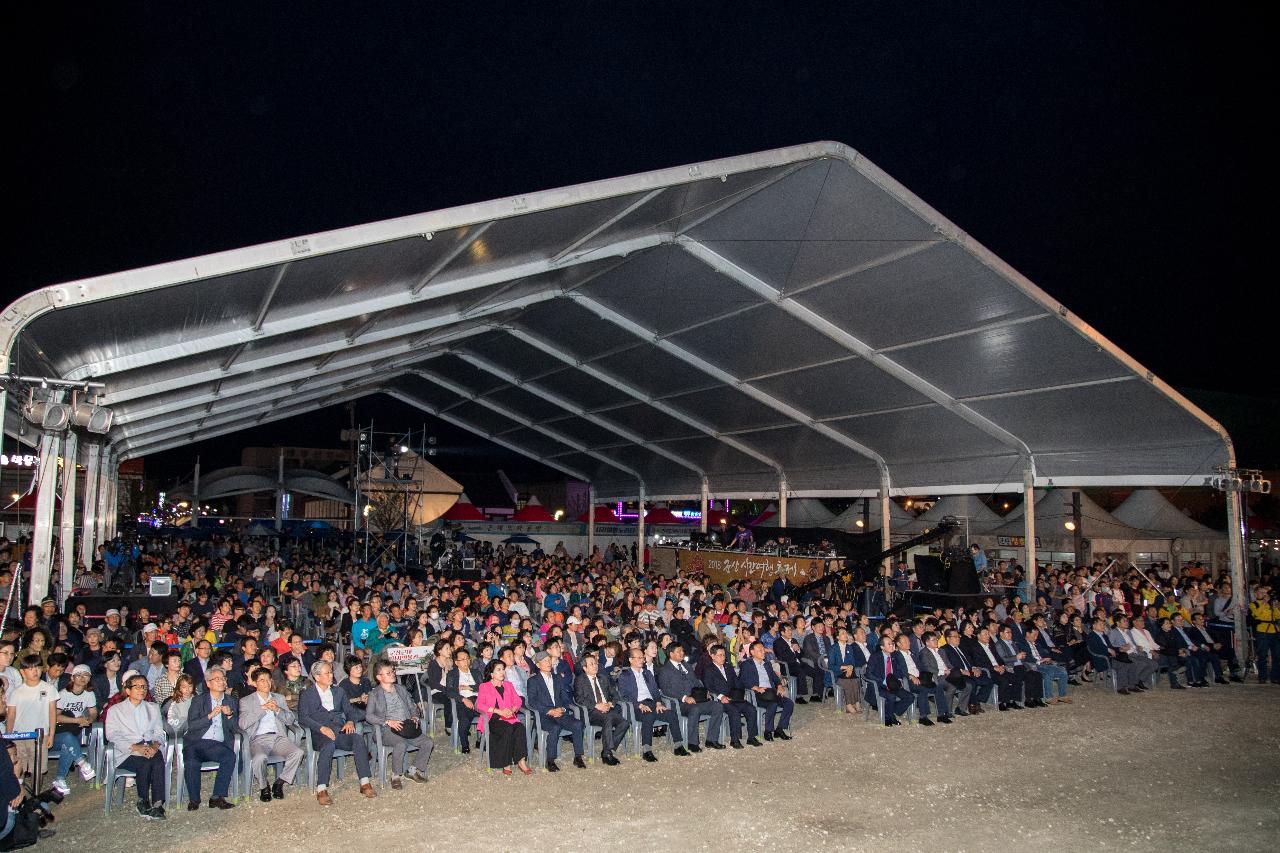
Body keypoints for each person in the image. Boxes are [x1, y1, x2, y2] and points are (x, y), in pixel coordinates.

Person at [298, 660, 375, 805]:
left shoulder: (339, 691)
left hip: (339, 731)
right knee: (328, 745)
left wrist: (350, 721)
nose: (331, 675)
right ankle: (321, 788)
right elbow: (303, 718)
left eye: (331, 672)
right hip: (320, 734)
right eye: (327, 673)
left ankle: (364, 781)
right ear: (317, 677)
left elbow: (349, 711)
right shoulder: (307, 694)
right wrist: (321, 728)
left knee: (358, 739)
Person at [103, 673, 167, 820]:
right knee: (144, 761)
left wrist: (155, 745)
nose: (141, 690)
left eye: (144, 686)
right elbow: (112, 735)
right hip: (127, 751)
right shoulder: (115, 710)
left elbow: (159, 731)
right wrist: (135, 747)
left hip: (149, 746)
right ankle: (142, 800)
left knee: (156, 759)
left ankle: (158, 803)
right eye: (137, 687)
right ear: (127, 690)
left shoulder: (153, 707)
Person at [239, 668, 305, 802]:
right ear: (255, 683)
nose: (266, 683)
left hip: (278, 737)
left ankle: (280, 782)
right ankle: (264, 786)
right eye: (262, 680)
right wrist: (261, 709)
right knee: (260, 758)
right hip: (258, 739)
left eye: (268, 679)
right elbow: (242, 724)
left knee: (298, 752)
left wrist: (278, 710)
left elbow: (290, 720)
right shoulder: (246, 701)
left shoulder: (278, 698)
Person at [365, 661, 433, 788]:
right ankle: (395, 775)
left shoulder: (401, 689)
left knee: (428, 742)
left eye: (393, 671)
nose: (392, 674)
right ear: (379, 677)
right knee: (400, 743)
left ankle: (412, 770)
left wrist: (414, 716)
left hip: (406, 726)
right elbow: (368, 716)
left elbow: (412, 706)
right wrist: (387, 722)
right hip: (387, 729)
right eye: (388, 673)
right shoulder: (374, 694)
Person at [618, 648, 690, 762]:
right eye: (639, 658)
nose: (642, 660)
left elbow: (656, 691)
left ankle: (678, 746)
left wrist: (658, 703)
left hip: (652, 704)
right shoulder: (624, 676)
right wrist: (639, 705)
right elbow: (623, 696)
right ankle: (647, 750)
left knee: (671, 714)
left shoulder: (647, 673)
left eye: (643, 657)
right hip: (637, 707)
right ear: (631, 660)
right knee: (648, 716)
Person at [182, 668, 239, 810]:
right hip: (197, 742)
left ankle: (217, 797)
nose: (222, 681)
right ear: (208, 683)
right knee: (191, 761)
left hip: (217, 744)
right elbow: (192, 725)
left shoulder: (230, 701)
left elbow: (235, 728)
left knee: (229, 756)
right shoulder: (199, 700)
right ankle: (194, 799)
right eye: (217, 679)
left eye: (223, 678)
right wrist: (210, 715)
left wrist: (230, 715)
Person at [657, 643, 725, 750]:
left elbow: (696, 682)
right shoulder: (665, 670)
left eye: (682, 651)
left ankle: (711, 740)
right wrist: (684, 698)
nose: (682, 653)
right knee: (695, 708)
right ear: (671, 654)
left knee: (717, 706)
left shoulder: (687, 666)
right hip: (679, 703)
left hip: (696, 699)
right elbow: (666, 691)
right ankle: (692, 743)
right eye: (679, 651)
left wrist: (705, 691)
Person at [526, 650, 586, 771]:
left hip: (560, 712)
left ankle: (578, 756)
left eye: (549, 660)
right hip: (544, 714)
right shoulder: (533, 681)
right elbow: (532, 701)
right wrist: (549, 711)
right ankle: (550, 760)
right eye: (545, 661)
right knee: (554, 728)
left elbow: (565, 697)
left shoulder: (557, 678)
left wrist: (563, 708)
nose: (549, 663)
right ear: (538, 665)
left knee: (578, 724)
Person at [475, 659, 531, 776]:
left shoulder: (508, 685)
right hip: (492, 719)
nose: (502, 672)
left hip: (509, 716)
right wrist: (498, 711)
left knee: (520, 727)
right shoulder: (484, 687)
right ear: (491, 674)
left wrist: (512, 710)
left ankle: (521, 760)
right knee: (507, 728)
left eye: (503, 670)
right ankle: (506, 763)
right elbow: (479, 705)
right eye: (499, 670)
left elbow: (518, 700)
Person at [4, 655, 56, 779]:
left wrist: (51, 734)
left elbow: (52, 713)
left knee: (38, 768)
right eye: (31, 668)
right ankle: (20, 794)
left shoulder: (49, 689)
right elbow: (11, 715)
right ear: (22, 672)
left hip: (40, 735)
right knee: (18, 766)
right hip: (19, 735)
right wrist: (8, 736)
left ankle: (36, 795)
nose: (35, 671)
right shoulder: (16, 692)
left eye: (38, 668)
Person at [701, 643, 760, 748]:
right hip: (719, 700)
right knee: (734, 711)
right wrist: (721, 696)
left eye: (724, 655)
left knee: (751, 708)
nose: (723, 657)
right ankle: (735, 739)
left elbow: (737, 682)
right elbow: (708, 687)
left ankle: (751, 737)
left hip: (733, 697)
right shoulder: (708, 669)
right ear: (712, 656)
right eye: (720, 655)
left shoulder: (728, 667)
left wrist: (747, 687)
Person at [52, 664, 99, 795]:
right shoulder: (62, 694)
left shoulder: (89, 694)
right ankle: (82, 762)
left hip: (74, 731)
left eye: (86, 675)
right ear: (72, 677)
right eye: (79, 674)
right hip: (57, 733)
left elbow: (94, 712)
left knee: (69, 742)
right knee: (68, 738)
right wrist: (77, 720)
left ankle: (60, 779)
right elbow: (55, 717)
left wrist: (88, 719)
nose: (82, 678)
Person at [572, 654, 628, 764]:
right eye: (591, 664)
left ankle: (606, 749)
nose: (595, 666)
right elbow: (578, 699)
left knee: (625, 723)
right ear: (585, 668)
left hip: (607, 709)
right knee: (608, 718)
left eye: (596, 663)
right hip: (591, 712)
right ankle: (607, 754)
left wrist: (610, 703)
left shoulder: (603, 678)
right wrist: (596, 705)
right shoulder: (580, 680)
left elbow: (615, 694)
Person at [737, 641, 794, 740]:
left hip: (771, 693)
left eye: (763, 650)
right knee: (773, 703)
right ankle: (768, 731)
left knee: (789, 703)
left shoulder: (767, 664)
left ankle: (779, 729)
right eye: (760, 650)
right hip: (757, 694)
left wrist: (779, 685)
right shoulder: (747, 664)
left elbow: (775, 678)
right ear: (752, 652)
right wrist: (755, 687)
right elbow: (742, 680)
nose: (763, 652)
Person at [865, 635, 913, 726]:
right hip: (879, 685)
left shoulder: (895, 656)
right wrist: (883, 681)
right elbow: (868, 674)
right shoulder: (875, 656)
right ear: (882, 647)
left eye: (892, 643)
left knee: (910, 697)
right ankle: (888, 718)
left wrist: (899, 679)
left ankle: (892, 713)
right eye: (889, 644)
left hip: (893, 684)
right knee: (891, 696)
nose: (892, 645)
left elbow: (899, 671)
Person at [827, 625, 864, 714]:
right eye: (843, 633)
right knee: (847, 681)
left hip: (848, 672)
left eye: (846, 633)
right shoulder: (833, 648)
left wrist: (850, 668)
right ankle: (848, 705)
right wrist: (844, 668)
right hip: (836, 673)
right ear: (837, 637)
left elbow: (852, 662)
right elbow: (830, 666)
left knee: (855, 680)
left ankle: (856, 702)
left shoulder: (849, 647)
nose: (846, 635)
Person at [1249, 586, 1279, 684]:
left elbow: (1278, 616)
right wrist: (1264, 603)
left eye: (1265, 592)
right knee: (1262, 655)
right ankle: (1262, 676)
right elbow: (1257, 614)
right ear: (1256, 593)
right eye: (1261, 592)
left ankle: (1275, 677)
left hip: (1274, 630)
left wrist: (1275, 607)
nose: (1263, 594)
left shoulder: (1271, 603)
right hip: (1262, 630)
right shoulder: (1253, 604)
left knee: (1277, 655)